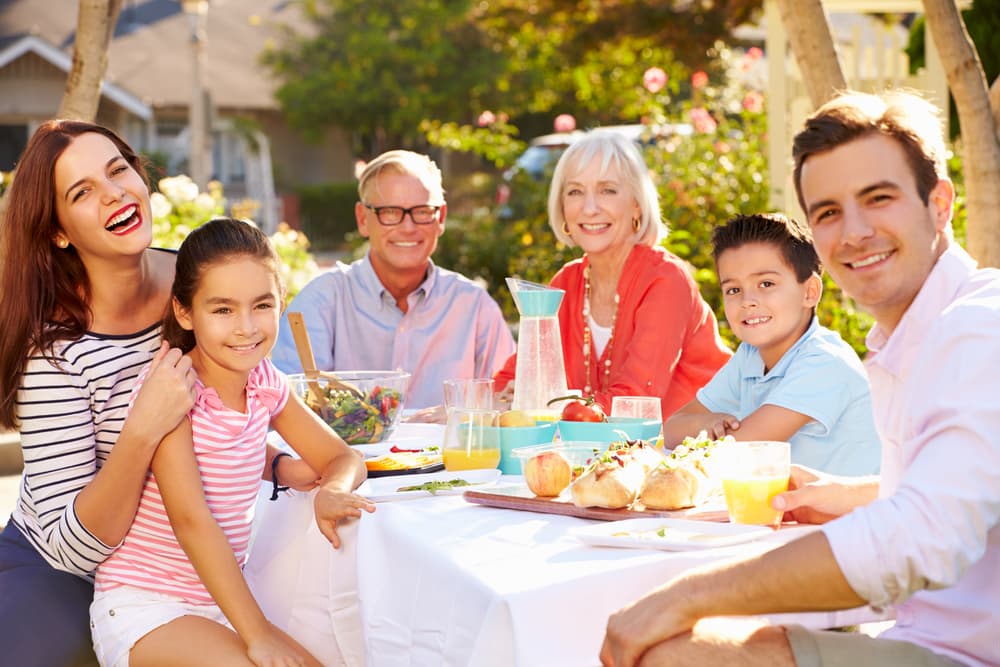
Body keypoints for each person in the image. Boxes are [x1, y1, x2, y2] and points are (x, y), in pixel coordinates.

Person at [600, 90, 999, 667]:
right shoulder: (905, 343)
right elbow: (957, 495)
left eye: (879, 198)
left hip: (964, 653)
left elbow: (922, 537)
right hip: (917, 635)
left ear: (940, 204)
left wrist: (688, 595)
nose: (855, 232)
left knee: (670, 649)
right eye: (829, 212)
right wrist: (852, 494)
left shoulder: (977, 328)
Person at [90, 218, 374, 666]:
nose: (245, 327)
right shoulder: (173, 388)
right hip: (146, 604)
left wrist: (332, 491)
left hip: (222, 602)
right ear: (185, 312)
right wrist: (258, 635)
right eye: (222, 310)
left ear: (280, 303)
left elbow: (342, 456)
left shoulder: (264, 382)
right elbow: (191, 520)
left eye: (261, 305)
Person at [0, 121, 198, 666]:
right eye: (81, 192)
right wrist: (142, 429)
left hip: (186, 554)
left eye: (118, 170)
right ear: (59, 231)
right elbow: (73, 547)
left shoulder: (198, 287)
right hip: (62, 574)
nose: (113, 192)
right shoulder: (55, 350)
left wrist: (282, 468)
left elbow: (247, 412)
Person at [494, 130, 731, 417]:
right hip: (610, 455)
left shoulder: (666, 279)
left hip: (700, 450)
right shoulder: (566, 283)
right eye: (575, 192)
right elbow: (513, 379)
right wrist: (482, 404)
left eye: (608, 190)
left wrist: (541, 404)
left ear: (636, 204)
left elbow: (634, 402)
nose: (590, 208)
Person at [271, 149, 515, 410]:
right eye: (389, 212)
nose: (408, 227)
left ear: (440, 218)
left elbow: (507, 404)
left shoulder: (475, 308)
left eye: (422, 211)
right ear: (363, 219)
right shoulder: (320, 303)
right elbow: (290, 411)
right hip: (349, 452)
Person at [663, 213, 880, 475]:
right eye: (733, 289)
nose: (747, 301)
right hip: (781, 508)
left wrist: (706, 432)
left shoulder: (825, 362)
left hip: (842, 514)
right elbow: (672, 429)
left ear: (810, 292)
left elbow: (739, 451)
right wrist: (708, 422)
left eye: (766, 284)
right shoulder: (750, 355)